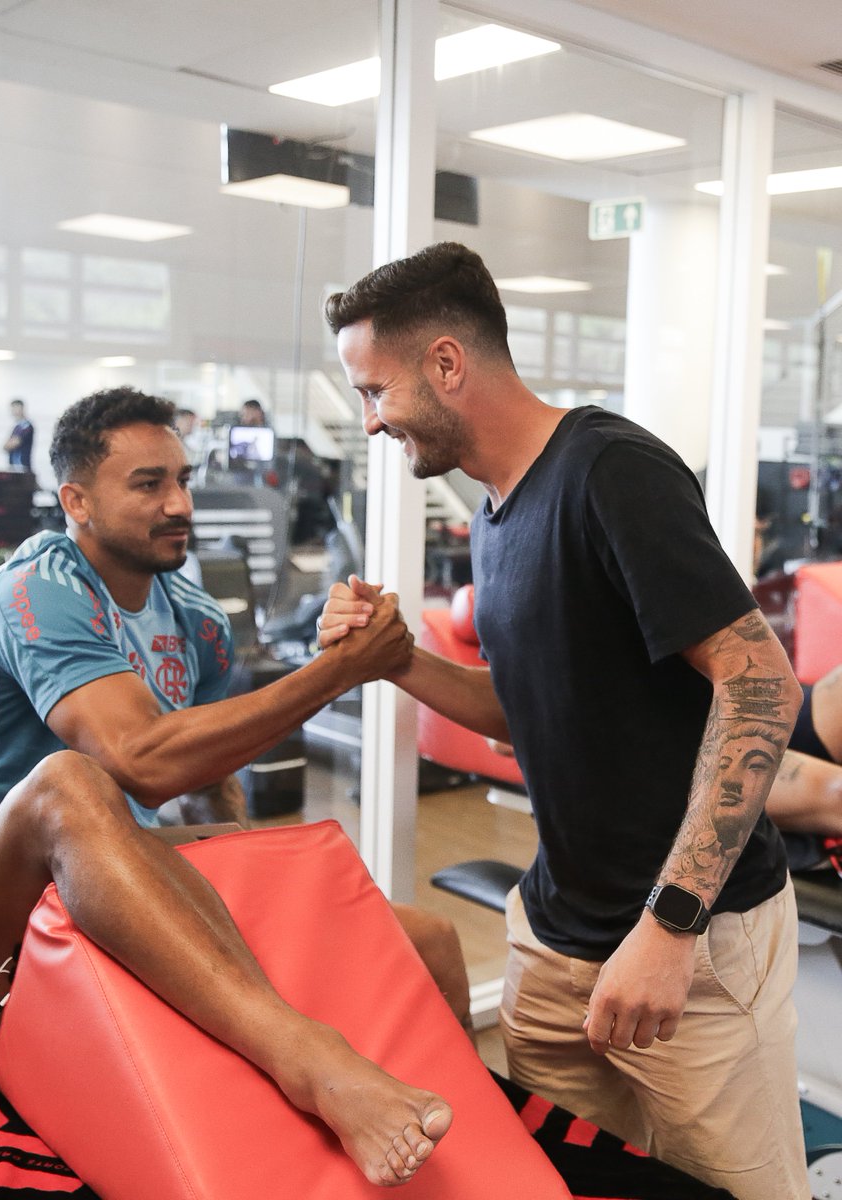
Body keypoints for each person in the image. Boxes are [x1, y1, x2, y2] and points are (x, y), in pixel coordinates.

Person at [318, 242, 809, 1199]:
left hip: (693, 947)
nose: (372, 422)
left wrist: (668, 927)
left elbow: (761, 684)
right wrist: (399, 662)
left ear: (447, 363)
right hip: (553, 941)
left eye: (376, 391)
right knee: (566, 1182)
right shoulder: (495, 515)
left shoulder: (609, 471)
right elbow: (527, 703)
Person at [0, 386, 455, 1187]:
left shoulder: (194, 616)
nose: (179, 503)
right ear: (77, 501)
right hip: (0, 924)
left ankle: (466, 1148)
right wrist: (335, 672)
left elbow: (210, 789)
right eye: (147, 485)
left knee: (430, 941)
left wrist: (271, 893)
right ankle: (308, 1058)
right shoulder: (39, 587)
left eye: (182, 478)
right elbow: (140, 760)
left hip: (128, 895)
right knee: (72, 781)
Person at [4, 398, 34, 471]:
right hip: (14, 466)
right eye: (12, 409)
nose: (13, 411)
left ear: (22, 408)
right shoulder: (17, 427)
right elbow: (5, 446)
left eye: (15, 408)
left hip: (22, 466)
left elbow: (13, 443)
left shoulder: (26, 426)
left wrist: (8, 444)